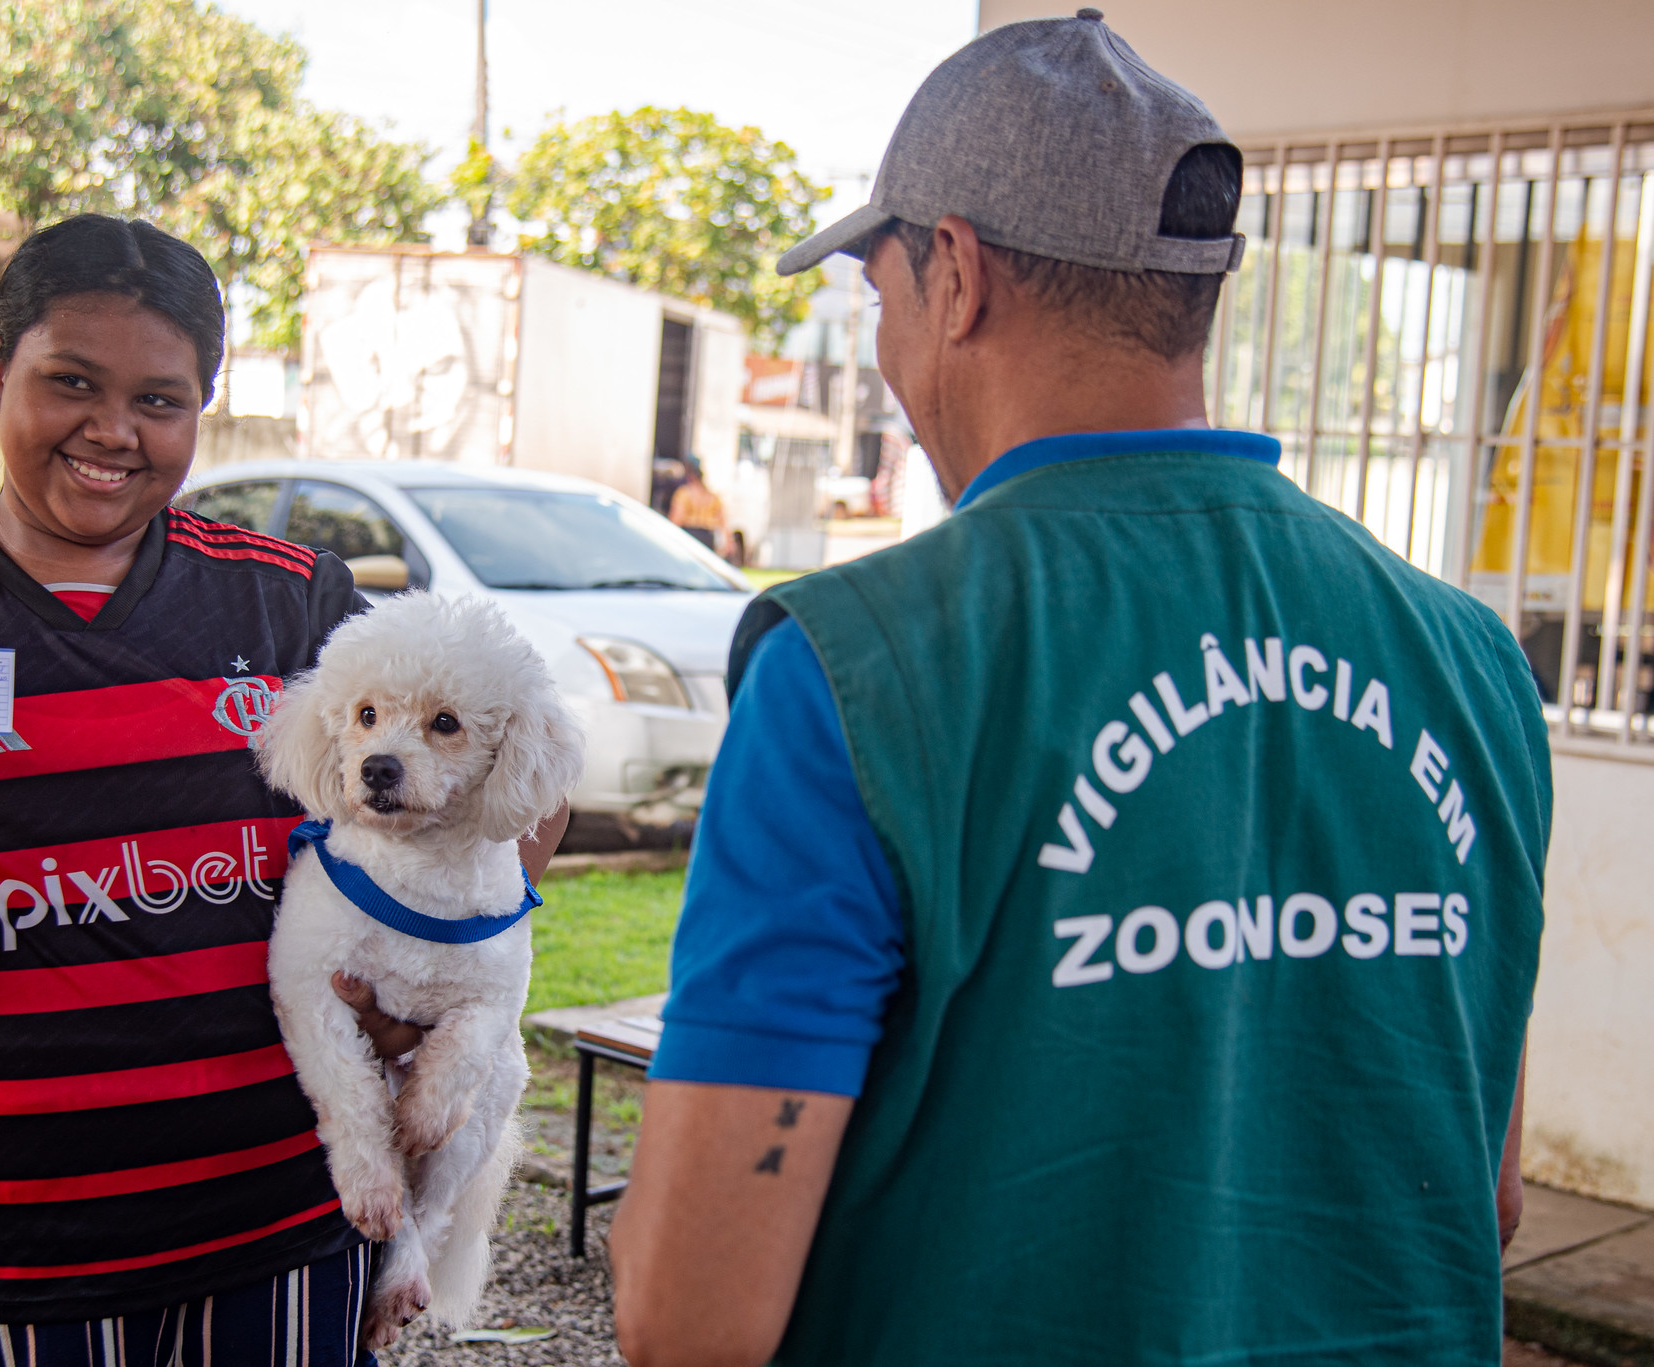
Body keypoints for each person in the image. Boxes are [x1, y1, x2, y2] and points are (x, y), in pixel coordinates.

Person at [611, 13, 1546, 1367]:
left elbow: (691, 1313)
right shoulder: (1475, 663)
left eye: (879, 296)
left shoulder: (857, 667)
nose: (887, 350)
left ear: (961, 276)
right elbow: (1488, 1190)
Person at [0, 214, 565, 1364]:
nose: (111, 432)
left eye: (159, 399)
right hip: (28, 1243)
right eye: (70, 382)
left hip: (287, 1222)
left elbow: (514, 802)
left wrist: (437, 973)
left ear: (204, 405)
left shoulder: (293, 603)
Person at [667, 456, 727, 553]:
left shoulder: (684, 494)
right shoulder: (712, 497)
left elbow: (677, 519)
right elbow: (723, 522)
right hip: (708, 539)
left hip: (689, 536)